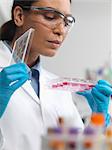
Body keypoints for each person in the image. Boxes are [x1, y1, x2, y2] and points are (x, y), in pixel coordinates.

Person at [0, 0, 111, 149]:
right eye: (50, 17)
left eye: (67, 22)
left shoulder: (58, 87)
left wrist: (98, 120)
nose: (61, 30)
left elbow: (77, 147)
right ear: (19, 16)